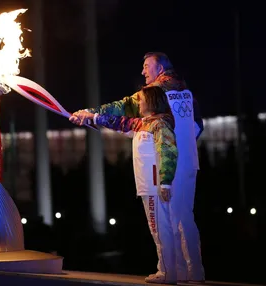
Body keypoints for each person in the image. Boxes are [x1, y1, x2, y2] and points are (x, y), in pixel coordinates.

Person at [71, 52, 204, 283]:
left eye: (146, 66)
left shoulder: (155, 94)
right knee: (184, 218)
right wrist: (92, 118)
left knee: (163, 220)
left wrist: (92, 113)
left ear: (160, 68)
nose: (143, 71)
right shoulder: (186, 93)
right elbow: (197, 126)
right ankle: (192, 271)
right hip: (187, 162)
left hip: (162, 167)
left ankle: (169, 271)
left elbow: (123, 109)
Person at [71, 86, 178, 284]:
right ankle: (166, 270)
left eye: (142, 99)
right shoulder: (143, 124)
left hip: (155, 187)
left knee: (160, 228)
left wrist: (165, 183)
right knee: (157, 229)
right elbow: (118, 121)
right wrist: (89, 116)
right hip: (148, 186)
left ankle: (168, 272)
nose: (139, 102)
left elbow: (168, 152)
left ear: (152, 101)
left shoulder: (160, 124)